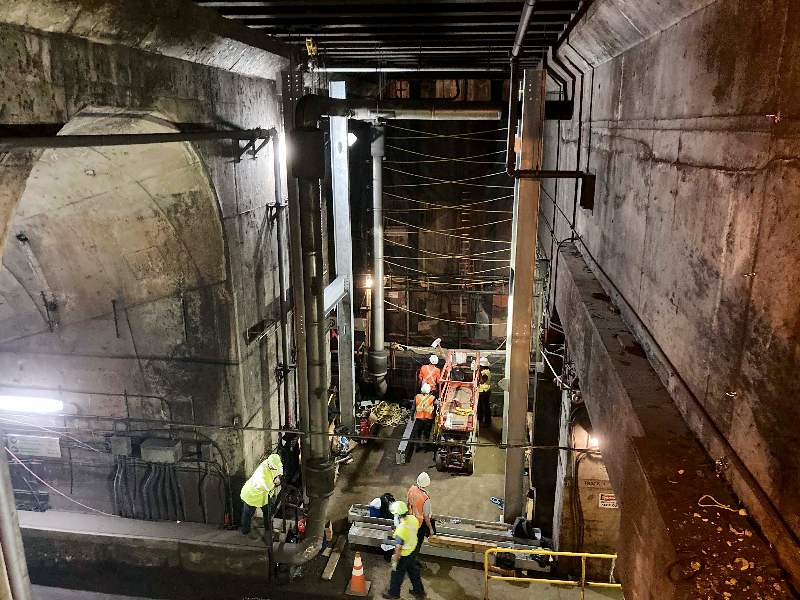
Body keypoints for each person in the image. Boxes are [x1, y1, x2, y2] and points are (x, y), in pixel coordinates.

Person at [382, 501, 425, 600]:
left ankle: (393, 594)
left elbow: (399, 547)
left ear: (397, 515)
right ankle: (419, 592)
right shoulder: (413, 519)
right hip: (413, 550)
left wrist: (395, 558)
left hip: (404, 554)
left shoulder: (401, 531)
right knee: (413, 571)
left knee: (397, 574)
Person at [240, 453, 282, 537]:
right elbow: (269, 486)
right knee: (248, 515)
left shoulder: (274, 463)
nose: (275, 468)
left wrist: (278, 477)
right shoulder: (263, 471)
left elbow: (280, 470)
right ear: (270, 464)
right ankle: (245, 532)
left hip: (264, 496)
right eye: (274, 467)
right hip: (252, 495)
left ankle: (268, 530)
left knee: (268, 513)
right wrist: (276, 482)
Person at [408, 472, 436, 565]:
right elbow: (426, 516)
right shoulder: (425, 498)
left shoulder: (411, 490)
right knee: (417, 544)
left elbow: (409, 504)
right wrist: (431, 529)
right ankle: (413, 562)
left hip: (411, 520)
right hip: (419, 524)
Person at [410, 384, 435, 450]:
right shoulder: (432, 398)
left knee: (417, 433)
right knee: (426, 434)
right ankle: (424, 448)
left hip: (419, 419)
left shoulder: (417, 397)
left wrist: (412, 416)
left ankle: (417, 447)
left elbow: (413, 408)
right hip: (428, 420)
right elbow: (438, 404)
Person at [477, 356, 492, 427]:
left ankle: (487, 422)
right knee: (480, 406)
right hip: (482, 391)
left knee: (485, 407)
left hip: (484, 392)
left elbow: (482, 381)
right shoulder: (484, 371)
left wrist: (479, 372)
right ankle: (480, 420)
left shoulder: (486, 372)